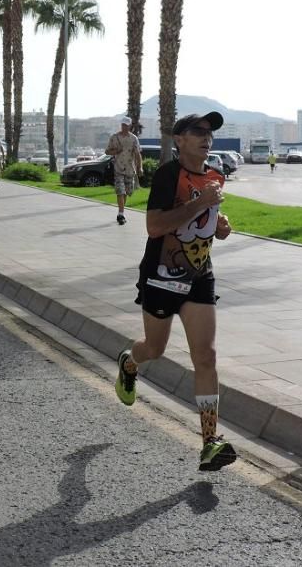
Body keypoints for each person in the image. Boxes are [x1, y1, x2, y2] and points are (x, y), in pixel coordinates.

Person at [115, 112, 237, 472]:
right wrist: (201, 204)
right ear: (179, 139)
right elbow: (155, 227)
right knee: (155, 348)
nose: (206, 137)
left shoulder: (216, 176)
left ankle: (210, 441)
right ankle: (130, 362)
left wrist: (220, 226)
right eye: (197, 131)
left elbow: (202, 225)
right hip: (161, 276)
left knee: (207, 357)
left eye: (210, 132)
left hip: (199, 276)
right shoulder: (169, 174)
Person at [104, 116, 143, 225]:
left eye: (126, 125)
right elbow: (107, 151)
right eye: (122, 125)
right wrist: (116, 151)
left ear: (130, 126)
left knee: (126, 192)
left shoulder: (134, 138)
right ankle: (120, 214)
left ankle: (121, 212)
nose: (124, 127)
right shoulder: (114, 137)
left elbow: (137, 154)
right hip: (118, 169)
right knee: (120, 191)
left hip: (130, 170)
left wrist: (140, 167)